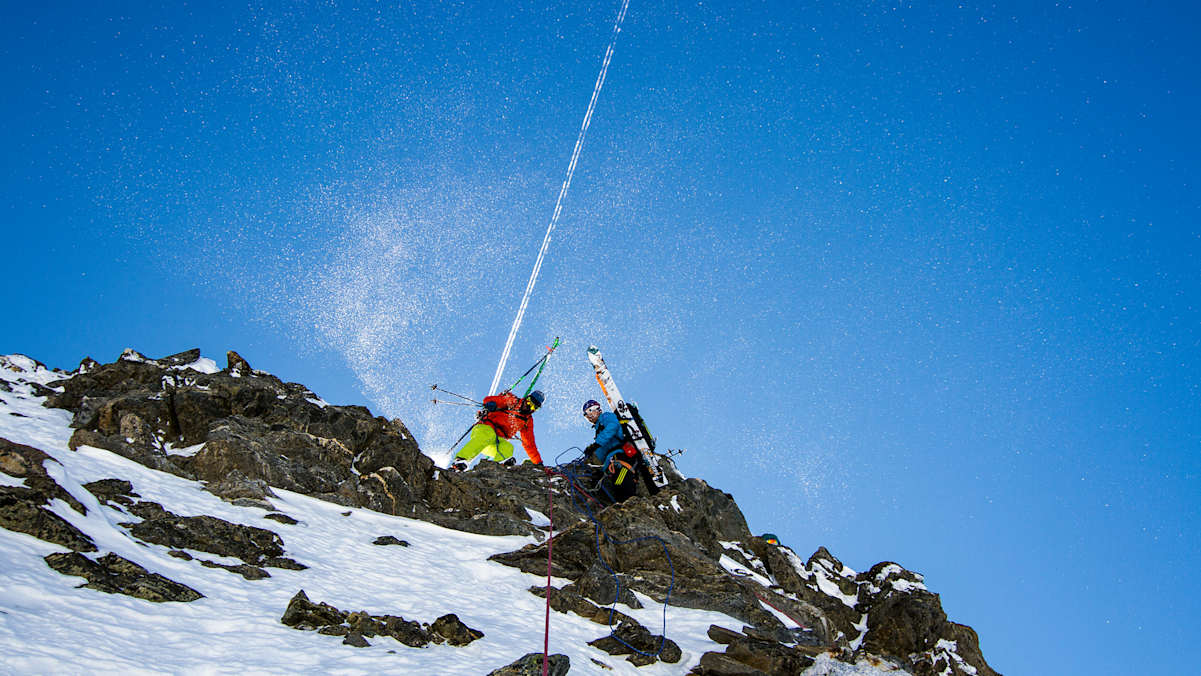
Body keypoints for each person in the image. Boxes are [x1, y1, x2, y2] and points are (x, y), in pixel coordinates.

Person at [454, 390, 544, 468]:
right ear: (526, 398)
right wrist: (491, 404)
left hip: (496, 440)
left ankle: (496, 467)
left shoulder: (527, 421)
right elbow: (489, 399)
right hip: (484, 429)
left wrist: (538, 462)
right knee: (488, 435)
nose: (529, 407)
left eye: (534, 407)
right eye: (529, 402)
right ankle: (461, 460)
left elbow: (529, 444)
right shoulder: (513, 401)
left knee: (508, 447)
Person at [581, 399, 644, 504]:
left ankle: (629, 502)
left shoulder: (606, 417)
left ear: (597, 409)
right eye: (586, 415)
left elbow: (613, 427)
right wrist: (592, 455)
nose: (588, 417)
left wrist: (596, 444)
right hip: (611, 461)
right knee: (615, 485)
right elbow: (603, 450)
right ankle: (623, 503)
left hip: (620, 456)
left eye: (589, 412)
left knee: (621, 482)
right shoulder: (599, 429)